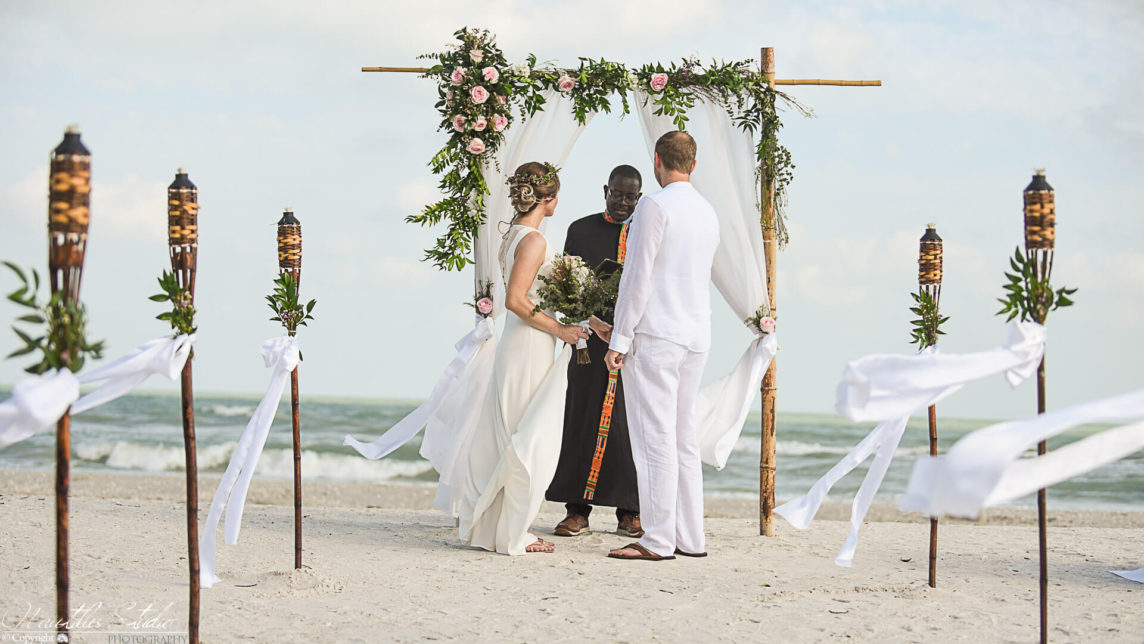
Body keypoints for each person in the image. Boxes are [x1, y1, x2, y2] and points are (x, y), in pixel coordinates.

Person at [457, 161, 591, 555]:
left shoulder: (516, 235)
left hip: (524, 343)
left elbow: (537, 297)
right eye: (556, 195)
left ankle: (501, 528)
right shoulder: (533, 241)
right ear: (548, 199)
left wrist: (588, 321)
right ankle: (514, 533)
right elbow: (516, 301)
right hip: (530, 345)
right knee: (530, 436)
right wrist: (563, 331)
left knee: (516, 433)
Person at [603, 131, 719, 561]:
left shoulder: (654, 205)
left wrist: (620, 337)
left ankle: (656, 539)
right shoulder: (708, 211)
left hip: (657, 334)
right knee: (683, 438)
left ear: (657, 161)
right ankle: (691, 537)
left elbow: (637, 278)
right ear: (693, 164)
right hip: (696, 335)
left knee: (655, 439)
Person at [545, 165, 645, 539]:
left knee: (628, 425)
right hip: (588, 342)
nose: (622, 202)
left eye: (630, 196)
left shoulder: (647, 233)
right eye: (616, 194)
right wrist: (590, 322)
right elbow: (566, 287)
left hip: (633, 345)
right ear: (606, 190)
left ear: (639, 196)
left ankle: (630, 511)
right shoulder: (581, 229)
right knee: (582, 418)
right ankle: (576, 511)